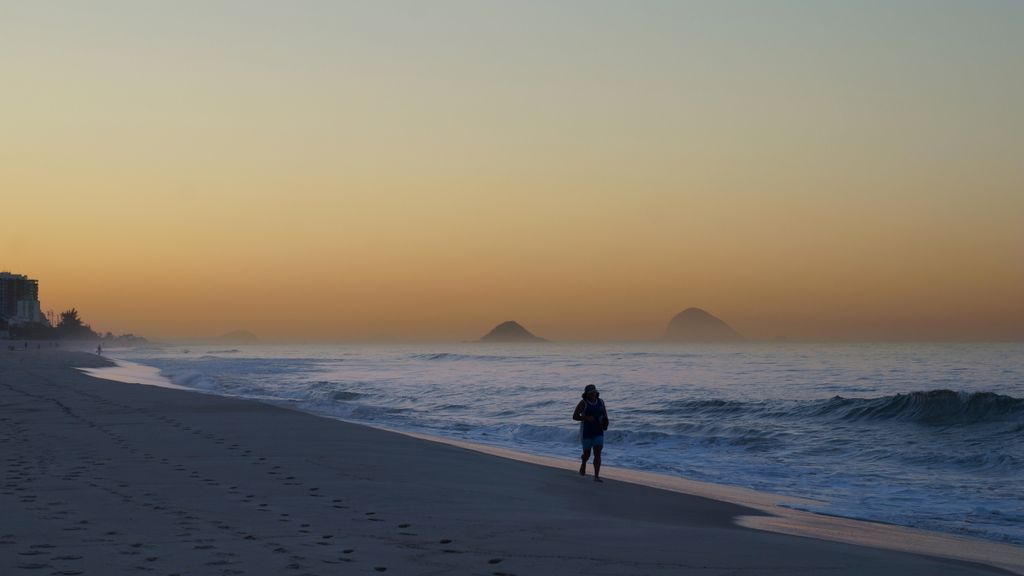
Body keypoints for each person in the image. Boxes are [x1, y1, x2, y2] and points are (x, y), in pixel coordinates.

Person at [573, 384, 608, 482]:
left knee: (598, 452)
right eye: (591, 393)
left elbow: (605, 414)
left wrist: (606, 423)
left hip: (598, 431)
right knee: (587, 454)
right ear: (586, 394)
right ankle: (584, 462)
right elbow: (574, 416)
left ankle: (596, 476)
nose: (593, 394)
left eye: (594, 392)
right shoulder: (583, 403)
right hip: (586, 432)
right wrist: (586, 418)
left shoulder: (601, 402)